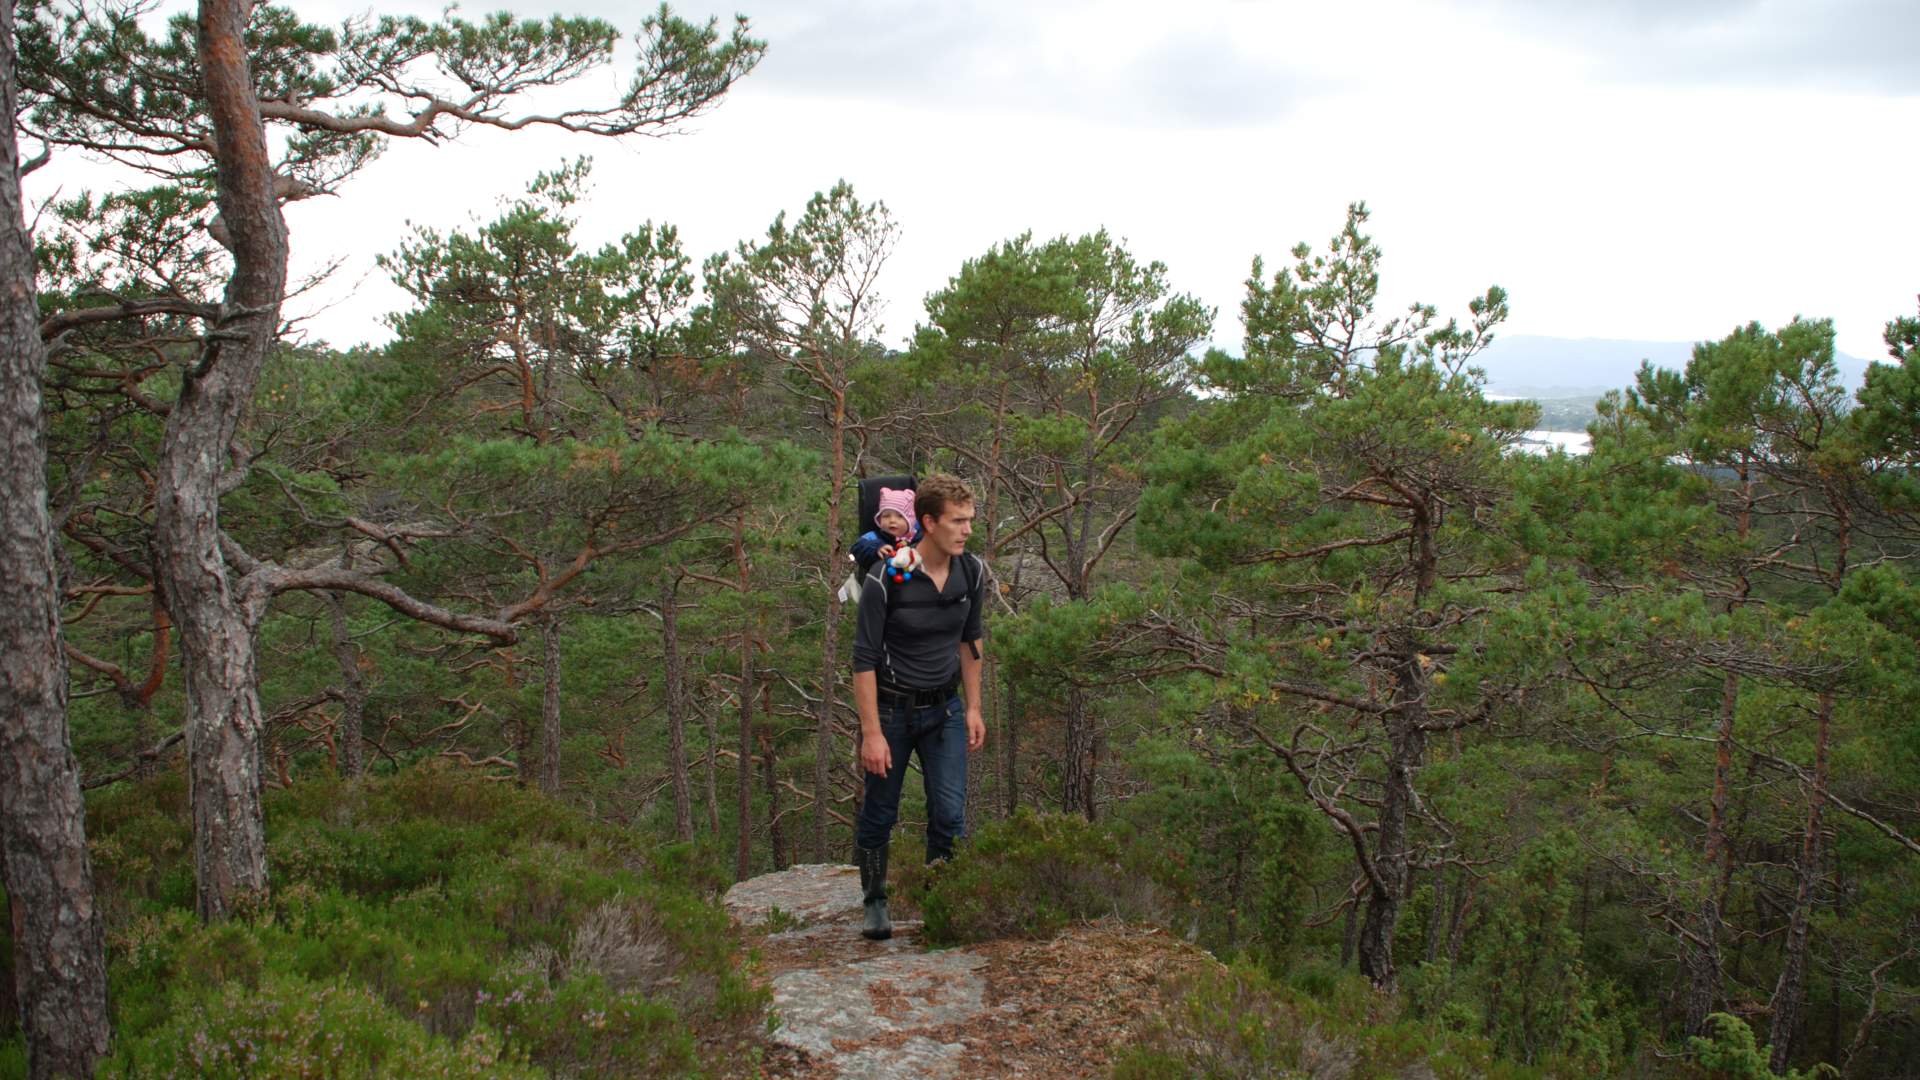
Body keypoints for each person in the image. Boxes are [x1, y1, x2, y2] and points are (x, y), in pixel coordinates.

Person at [849, 473, 985, 941]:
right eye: (957, 521)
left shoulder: (973, 572)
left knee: (949, 815)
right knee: (880, 813)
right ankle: (874, 901)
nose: (966, 530)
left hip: (944, 709)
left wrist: (973, 708)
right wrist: (871, 733)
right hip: (891, 712)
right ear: (928, 522)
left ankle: (940, 900)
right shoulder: (889, 576)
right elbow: (863, 658)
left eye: (970, 520)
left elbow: (971, 642)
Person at [849, 485, 919, 580]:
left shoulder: (918, 537)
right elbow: (857, 548)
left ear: (910, 520)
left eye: (900, 516)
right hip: (883, 585)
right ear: (879, 519)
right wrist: (877, 547)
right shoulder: (874, 536)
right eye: (886, 516)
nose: (892, 520)